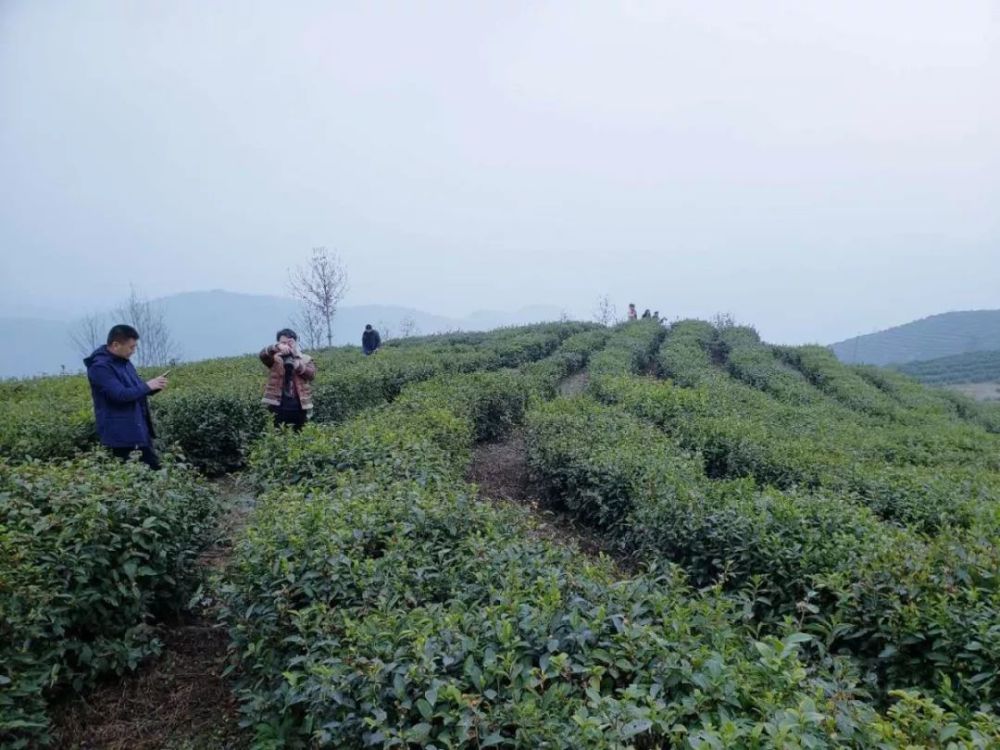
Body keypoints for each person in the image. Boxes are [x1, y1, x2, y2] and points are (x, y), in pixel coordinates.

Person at [84, 324, 166, 469]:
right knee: (147, 475)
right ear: (116, 345)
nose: (133, 351)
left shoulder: (124, 363)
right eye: (131, 347)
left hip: (139, 429)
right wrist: (148, 386)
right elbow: (120, 395)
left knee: (154, 473)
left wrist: (155, 386)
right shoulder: (100, 367)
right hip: (122, 436)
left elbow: (136, 388)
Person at [260, 328, 316, 430]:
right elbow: (263, 355)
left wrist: (299, 366)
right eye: (283, 342)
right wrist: (277, 347)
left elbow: (311, 375)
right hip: (277, 404)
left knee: (299, 434)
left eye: (290, 342)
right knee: (278, 433)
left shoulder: (305, 358)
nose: (287, 345)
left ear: (295, 342)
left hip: (299, 405)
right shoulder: (275, 358)